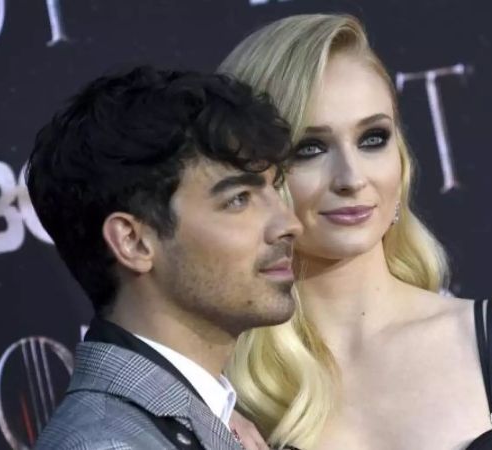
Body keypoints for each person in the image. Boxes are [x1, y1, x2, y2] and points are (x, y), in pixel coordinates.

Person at [220, 14, 492, 450]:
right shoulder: (222, 394)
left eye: (372, 138)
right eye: (310, 148)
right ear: (252, 175)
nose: (351, 177)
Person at [27, 66, 302, 450]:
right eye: (239, 200)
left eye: (275, 189)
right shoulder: (106, 445)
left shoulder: (203, 419)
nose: (289, 224)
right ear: (134, 242)